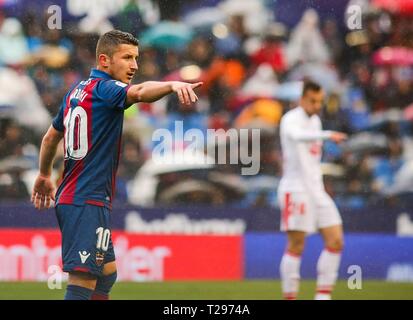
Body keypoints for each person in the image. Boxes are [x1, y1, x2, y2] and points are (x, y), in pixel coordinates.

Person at [31, 30, 202, 300]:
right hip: (85, 200)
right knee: (82, 282)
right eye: (126, 58)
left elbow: (51, 136)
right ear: (104, 60)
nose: (134, 65)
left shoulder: (77, 91)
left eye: (136, 58)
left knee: (106, 273)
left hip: (80, 197)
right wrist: (171, 85)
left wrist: (43, 174)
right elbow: (141, 92)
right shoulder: (106, 89)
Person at [277, 81, 347, 300]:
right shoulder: (290, 119)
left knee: (336, 240)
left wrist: (322, 134)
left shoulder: (315, 121)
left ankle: (323, 296)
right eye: (313, 101)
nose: (317, 105)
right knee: (297, 244)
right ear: (302, 99)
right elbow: (297, 137)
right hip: (295, 188)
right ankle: (290, 297)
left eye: (320, 101)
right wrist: (326, 135)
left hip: (316, 189)